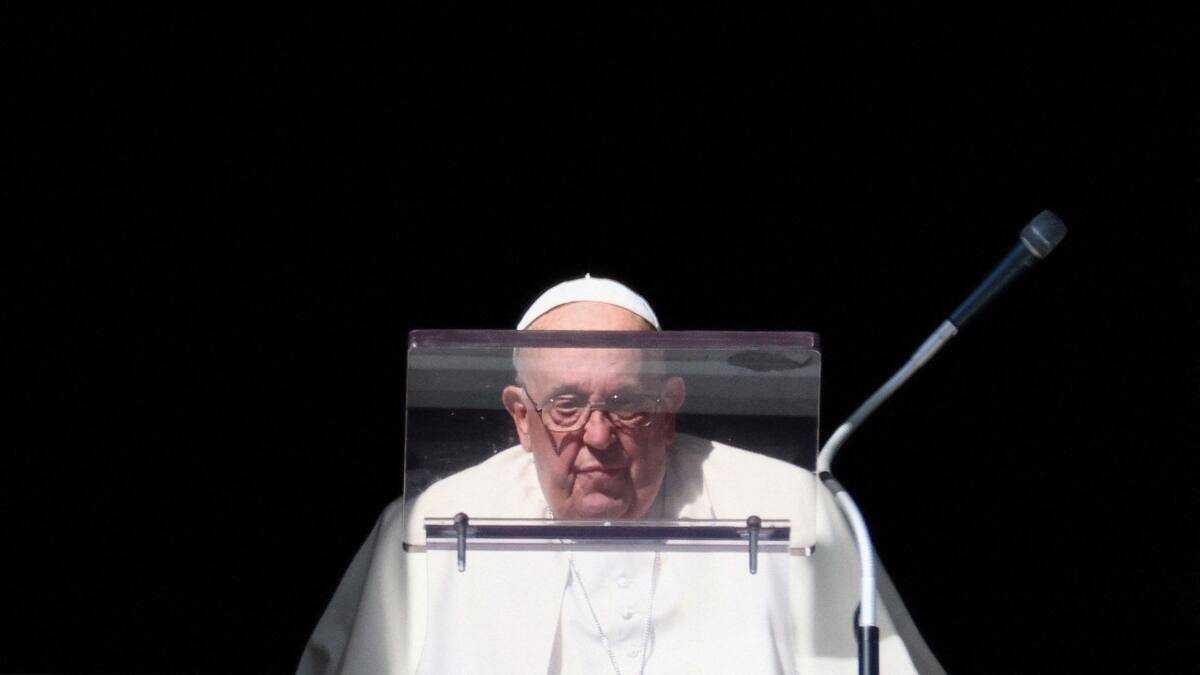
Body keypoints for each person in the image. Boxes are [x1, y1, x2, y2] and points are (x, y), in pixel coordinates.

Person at [298, 276, 940, 674]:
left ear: (669, 410)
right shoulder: (433, 523)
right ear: (522, 418)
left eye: (626, 403)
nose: (597, 437)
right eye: (567, 406)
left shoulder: (783, 506)